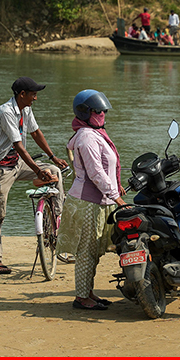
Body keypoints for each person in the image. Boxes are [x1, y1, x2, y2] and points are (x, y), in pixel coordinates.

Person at [0, 77, 69, 275]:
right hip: (1, 168)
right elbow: (19, 145)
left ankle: (56, 220)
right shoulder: (5, 112)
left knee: (55, 172)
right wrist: (37, 171)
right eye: (33, 94)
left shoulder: (25, 109)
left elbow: (36, 133)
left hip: (18, 164)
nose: (35, 98)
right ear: (22, 95)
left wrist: (53, 158)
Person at [59, 90, 126, 310]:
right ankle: (81, 297)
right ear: (85, 112)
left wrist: (117, 187)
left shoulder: (95, 133)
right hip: (87, 202)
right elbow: (95, 173)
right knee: (86, 250)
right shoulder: (87, 137)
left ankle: (88, 292)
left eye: (103, 111)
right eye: (97, 111)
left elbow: (107, 168)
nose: (102, 114)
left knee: (94, 249)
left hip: (100, 201)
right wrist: (116, 197)